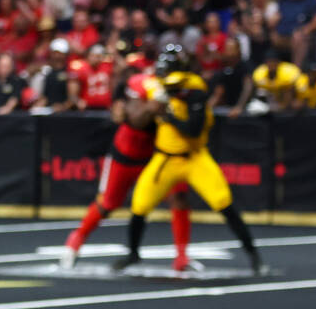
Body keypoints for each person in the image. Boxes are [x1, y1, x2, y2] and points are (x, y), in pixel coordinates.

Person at [115, 45, 263, 274]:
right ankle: (133, 253)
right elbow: (136, 121)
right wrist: (150, 107)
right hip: (165, 158)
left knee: (223, 202)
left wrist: (168, 113)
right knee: (140, 204)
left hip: (195, 157)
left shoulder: (194, 88)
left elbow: (193, 130)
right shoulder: (157, 88)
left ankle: (253, 254)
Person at [63, 55, 193, 271]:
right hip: (127, 153)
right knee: (108, 204)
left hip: (156, 155)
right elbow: (133, 118)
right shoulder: (142, 86)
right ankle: (74, 242)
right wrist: (153, 107)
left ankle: (182, 258)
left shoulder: (186, 89)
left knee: (178, 197)